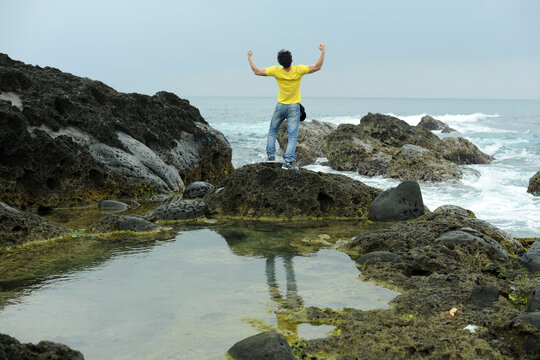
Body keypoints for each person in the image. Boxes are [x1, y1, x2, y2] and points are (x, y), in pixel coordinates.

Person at [247, 44, 326, 170]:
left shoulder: (276, 71)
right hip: (293, 108)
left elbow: (257, 71)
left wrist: (249, 57)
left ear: (280, 62)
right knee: (292, 136)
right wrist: (322, 51)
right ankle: (288, 163)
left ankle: (271, 158)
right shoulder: (298, 70)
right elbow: (318, 66)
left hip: (280, 106)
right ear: (292, 60)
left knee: (272, 131)